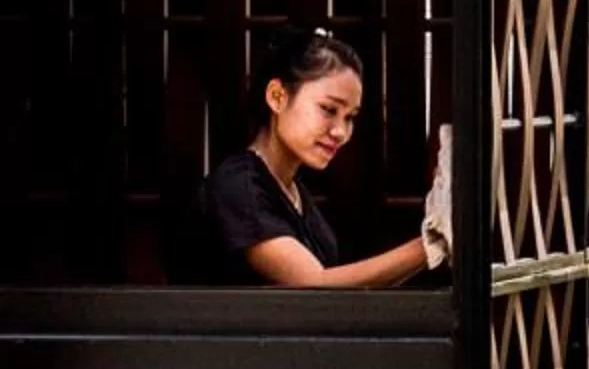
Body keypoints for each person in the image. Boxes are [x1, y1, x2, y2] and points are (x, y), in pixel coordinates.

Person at [177, 27, 448, 288]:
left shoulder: (294, 192)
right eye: (328, 109)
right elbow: (314, 286)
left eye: (350, 117)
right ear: (277, 96)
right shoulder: (238, 187)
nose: (341, 132)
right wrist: (431, 244)